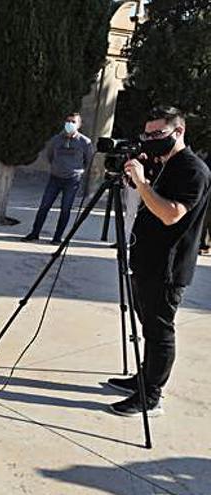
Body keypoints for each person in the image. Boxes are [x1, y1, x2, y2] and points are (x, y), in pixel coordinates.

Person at [106, 106, 211, 417]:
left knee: (160, 331)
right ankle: (143, 378)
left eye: (157, 134)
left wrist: (142, 184)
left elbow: (170, 214)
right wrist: (134, 178)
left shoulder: (192, 170)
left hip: (168, 267)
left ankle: (151, 396)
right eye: (146, 134)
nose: (150, 140)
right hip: (145, 258)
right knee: (149, 326)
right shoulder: (161, 163)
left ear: (178, 132)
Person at [23, 113, 94, 245]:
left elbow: (88, 160)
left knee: (65, 208)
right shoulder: (56, 139)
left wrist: (78, 171)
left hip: (72, 180)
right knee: (44, 206)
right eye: (68, 121)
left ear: (79, 125)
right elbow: (49, 156)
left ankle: (57, 237)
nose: (70, 124)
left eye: (73, 122)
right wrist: (56, 167)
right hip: (55, 178)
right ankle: (35, 233)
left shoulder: (85, 142)